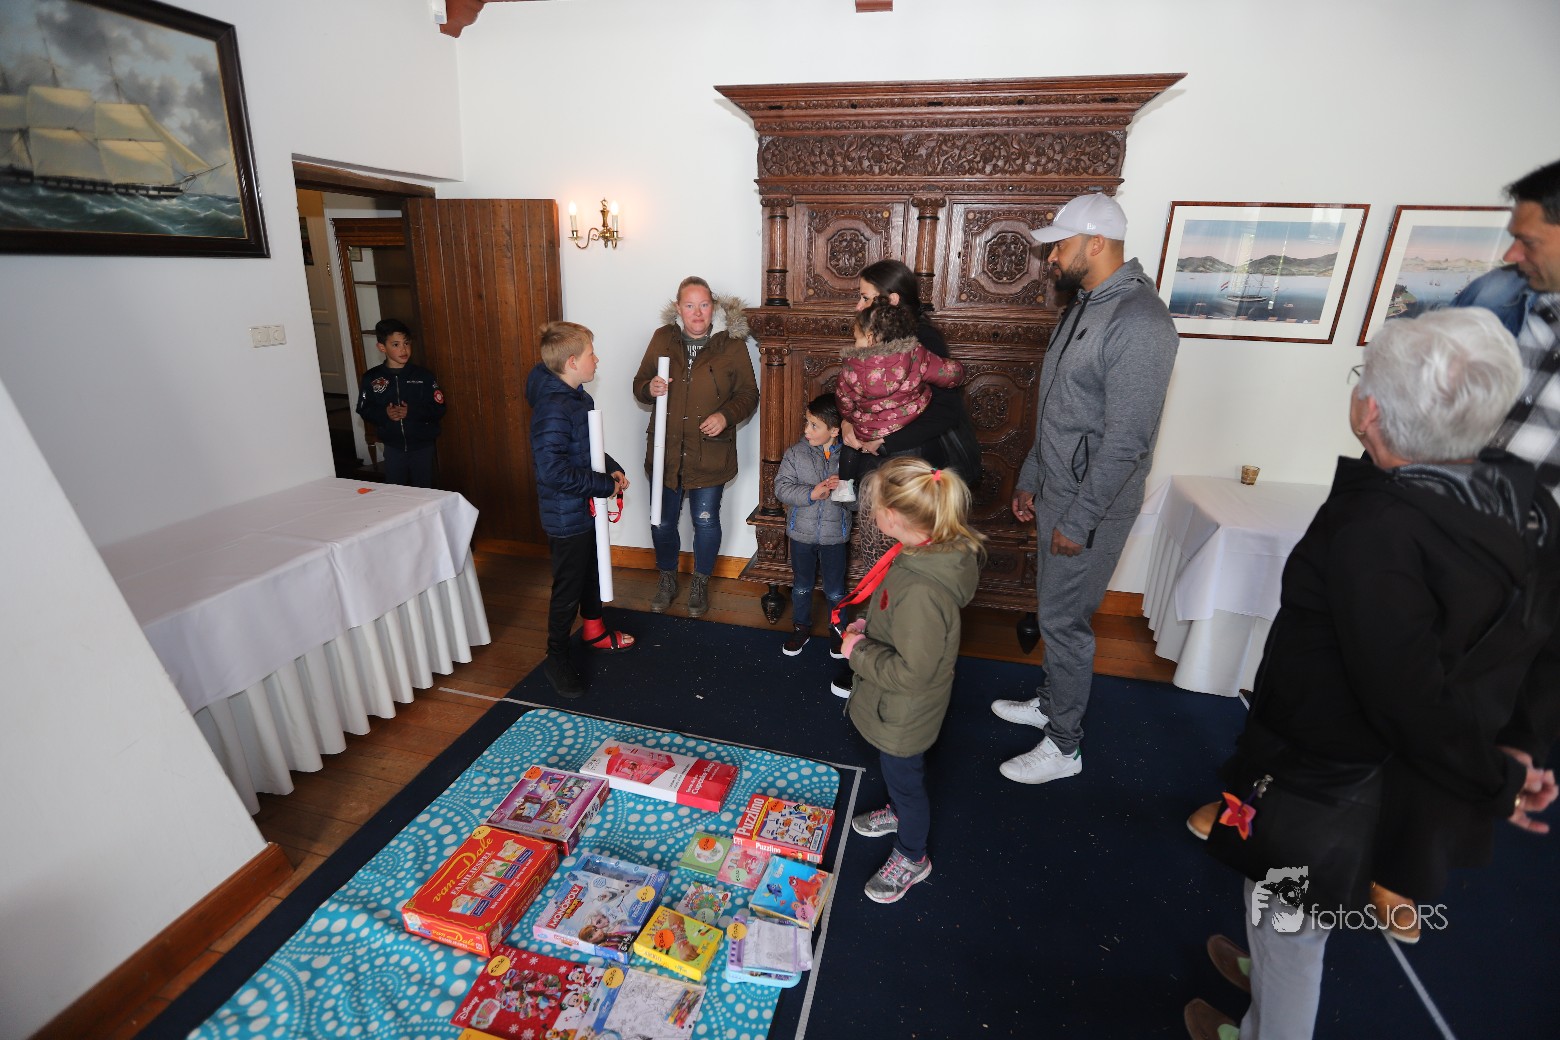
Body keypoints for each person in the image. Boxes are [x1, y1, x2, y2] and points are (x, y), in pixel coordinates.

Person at [1183, 309, 1560, 1040]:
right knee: (1290, 919)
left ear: (1371, 411)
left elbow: (1404, 695)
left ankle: (1269, 1017)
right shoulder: (1529, 500)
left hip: (1329, 783)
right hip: (1403, 774)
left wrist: (1496, 780)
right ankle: (1266, 982)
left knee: (1290, 927)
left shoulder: (1378, 529)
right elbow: (1543, 641)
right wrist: (1517, 746)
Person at [990, 193, 1179, 784]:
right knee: (1054, 611)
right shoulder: (1085, 304)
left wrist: (1079, 518)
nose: (1051, 259)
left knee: (1066, 623)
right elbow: (1060, 409)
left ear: (1096, 243)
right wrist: (1032, 477)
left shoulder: (1141, 321)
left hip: (1089, 506)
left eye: (1061, 246)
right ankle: (1053, 703)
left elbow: (1127, 443)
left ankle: (1064, 747)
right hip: (1058, 492)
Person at [840, 457, 984, 903]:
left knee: (905, 778)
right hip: (895, 705)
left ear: (892, 517)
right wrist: (868, 624)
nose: (871, 513)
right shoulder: (921, 551)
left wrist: (856, 651)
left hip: (904, 710)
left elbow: (912, 672)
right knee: (896, 771)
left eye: (874, 507)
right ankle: (900, 810)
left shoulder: (924, 589)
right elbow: (893, 604)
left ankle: (912, 855)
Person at [633, 277, 759, 618]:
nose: (697, 313)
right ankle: (667, 579)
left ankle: (700, 583)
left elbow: (749, 394)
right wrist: (649, 388)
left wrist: (725, 416)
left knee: (705, 521)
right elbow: (639, 384)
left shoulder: (731, 345)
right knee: (662, 522)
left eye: (704, 305)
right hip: (666, 452)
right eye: (689, 306)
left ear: (713, 307)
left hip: (710, 453)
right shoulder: (663, 338)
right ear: (678, 308)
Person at [525, 321, 636, 698]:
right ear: (572, 362)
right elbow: (554, 471)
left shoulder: (576, 396)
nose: (597, 359)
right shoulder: (553, 407)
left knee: (590, 572)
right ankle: (555, 657)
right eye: (591, 353)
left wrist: (611, 467)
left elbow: (584, 447)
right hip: (566, 515)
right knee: (568, 587)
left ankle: (594, 630)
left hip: (582, 507)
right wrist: (603, 485)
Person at [1452, 159, 1560, 496]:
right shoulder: (1492, 291)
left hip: (1537, 527)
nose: (1511, 255)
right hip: (1436, 506)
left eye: (1528, 242)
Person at [850, 259, 982, 484]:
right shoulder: (871, 336)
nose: (858, 306)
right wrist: (848, 423)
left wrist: (886, 442)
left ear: (892, 300)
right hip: (876, 455)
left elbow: (946, 411)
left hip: (911, 462)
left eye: (865, 297)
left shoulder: (924, 340)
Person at [833, 297, 964, 502]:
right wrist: (958, 372)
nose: (855, 344)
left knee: (859, 465)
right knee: (907, 497)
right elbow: (950, 374)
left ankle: (845, 487)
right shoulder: (916, 354)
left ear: (869, 338)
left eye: (856, 339)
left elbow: (844, 401)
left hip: (866, 436)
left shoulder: (850, 368)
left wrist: (850, 419)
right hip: (907, 437)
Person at [773, 393, 852, 657]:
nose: (807, 430)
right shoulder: (795, 453)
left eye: (814, 425)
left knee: (835, 590)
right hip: (801, 536)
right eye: (807, 423)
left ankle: (838, 631)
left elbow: (860, 501)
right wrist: (811, 493)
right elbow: (781, 488)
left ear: (834, 430)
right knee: (801, 586)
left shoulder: (850, 456)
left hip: (835, 537)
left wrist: (842, 489)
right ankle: (801, 627)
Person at [355, 317, 446, 487]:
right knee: (395, 490)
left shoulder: (423, 376)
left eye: (406, 343)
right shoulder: (372, 378)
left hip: (422, 446)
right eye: (396, 344)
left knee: (423, 490)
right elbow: (363, 408)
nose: (403, 349)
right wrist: (385, 414)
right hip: (393, 447)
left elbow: (439, 408)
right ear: (382, 347)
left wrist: (411, 412)